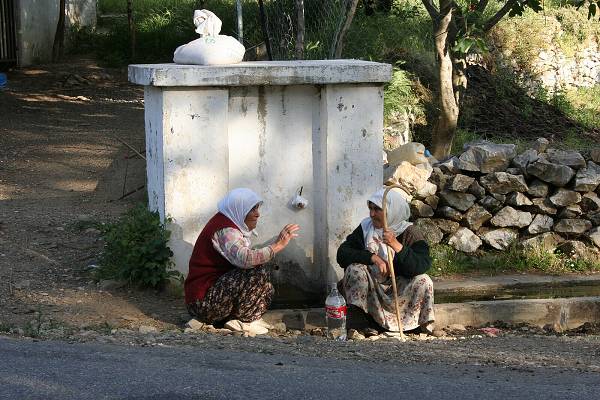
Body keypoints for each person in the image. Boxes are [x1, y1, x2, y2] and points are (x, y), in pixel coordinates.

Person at [185, 188, 300, 334]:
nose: (257, 214)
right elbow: (246, 259)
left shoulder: (229, 224)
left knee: (267, 289)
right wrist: (277, 245)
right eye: (252, 209)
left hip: (216, 298)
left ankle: (237, 320)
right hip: (202, 303)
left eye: (257, 208)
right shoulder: (225, 230)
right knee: (257, 270)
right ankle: (244, 321)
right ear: (239, 209)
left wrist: (276, 246)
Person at [336, 188, 434, 336]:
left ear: (391, 210)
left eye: (377, 209)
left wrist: (396, 245)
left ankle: (412, 326)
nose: (372, 214)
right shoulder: (365, 228)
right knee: (354, 269)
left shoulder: (410, 232)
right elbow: (342, 254)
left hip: (399, 290)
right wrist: (372, 258)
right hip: (372, 287)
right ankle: (360, 324)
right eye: (370, 209)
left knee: (424, 281)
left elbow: (422, 264)